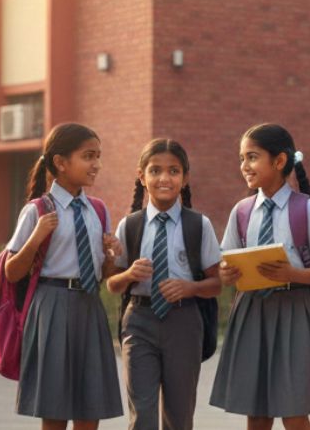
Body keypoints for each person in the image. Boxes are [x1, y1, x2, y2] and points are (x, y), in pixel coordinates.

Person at [211, 123, 310, 429]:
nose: (244, 166)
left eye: (252, 157)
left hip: (295, 311)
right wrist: (227, 273)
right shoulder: (241, 211)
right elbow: (224, 265)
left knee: (294, 411)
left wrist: (292, 273)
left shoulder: (307, 209)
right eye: (242, 158)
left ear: (279, 161)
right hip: (252, 311)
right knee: (257, 411)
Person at [4, 123, 124, 429]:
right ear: (60, 162)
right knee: (55, 407)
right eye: (88, 156)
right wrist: (37, 236)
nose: (96, 164)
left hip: (89, 306)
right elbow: (11, 270)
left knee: (91, 403)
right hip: (51, 307)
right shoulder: (37, 210)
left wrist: (113, 255)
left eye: (98, 156)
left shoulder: (97, 210)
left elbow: (106, 275)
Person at [107, 138, 223, 430]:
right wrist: (130, 274)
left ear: (185, 179)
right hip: (139, 321)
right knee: (142, 416)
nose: (164, 178)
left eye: (173, 171)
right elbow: (113, 284)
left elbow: (216, 283)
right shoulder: (130, 225)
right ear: (142, 176)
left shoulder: (199, 225)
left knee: (179, 415)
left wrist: (190, 288)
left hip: (184, 321)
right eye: (155, 170)